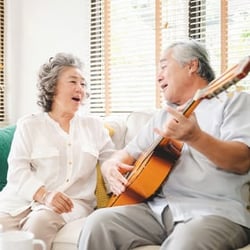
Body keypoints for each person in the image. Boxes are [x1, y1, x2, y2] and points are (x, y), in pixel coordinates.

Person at [78, 40, 250, 250]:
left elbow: (242, 160)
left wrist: (196, 138)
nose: (158, 76)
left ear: (191, 66)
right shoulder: (162, 117)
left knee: (185, 243)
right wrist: (110, 167)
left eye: (164, 67)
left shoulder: (235, 102)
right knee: (98, 223)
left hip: (215, 211)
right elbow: (124, 154)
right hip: (158, 211)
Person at [0, 53, 115, 249]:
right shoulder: (30, 124)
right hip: (18, 201)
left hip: (69, 205)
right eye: (73, 81)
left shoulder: (94, 126)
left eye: (83, 84)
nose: (80, 88)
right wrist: (44, 195)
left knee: (39, 223)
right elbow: (17, 171)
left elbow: (111, 162)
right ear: (52, 87)